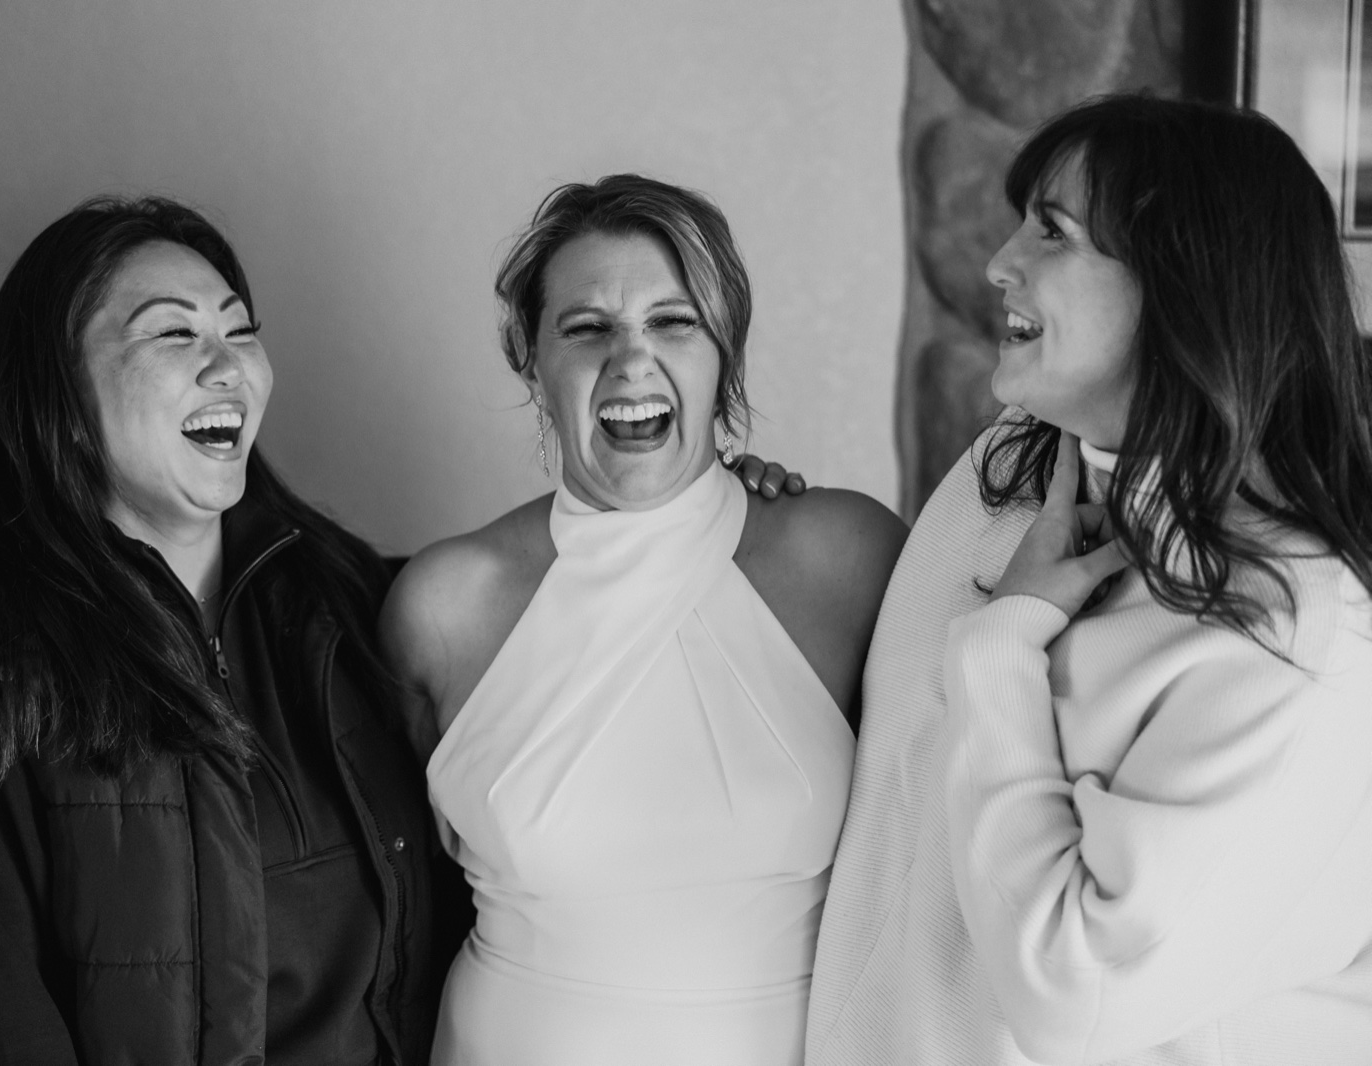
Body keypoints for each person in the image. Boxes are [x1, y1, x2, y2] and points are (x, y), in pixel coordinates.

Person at [804, 95, 1372, 1065]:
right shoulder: (1004, 477)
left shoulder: (1301, 640)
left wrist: (1005, 642)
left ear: (1182, 284)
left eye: (1051, 232)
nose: (997, 263)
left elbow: (1078, 998)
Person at [0, 196, 471, 1065]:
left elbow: (572, 600)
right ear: (62, 394)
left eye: (240, 331)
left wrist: (722, 507)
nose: (229, 366)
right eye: (174, 335)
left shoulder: (353, 606)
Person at [381, 174, 907, 1065]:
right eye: (587, 328)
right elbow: (391, 897)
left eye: (675, 322)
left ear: (724, 354)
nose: (631, 361)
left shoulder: (846, 556)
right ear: (530, 360)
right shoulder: (444, 604)